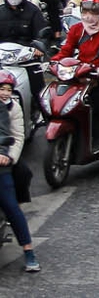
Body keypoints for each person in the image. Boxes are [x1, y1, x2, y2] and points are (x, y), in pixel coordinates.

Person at [53, 0, 99, 143]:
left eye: (93, 12)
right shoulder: (76, 29)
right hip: (78, 73)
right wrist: (53, 62)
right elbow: (66, 50)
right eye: (85, 12)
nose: (88, 17)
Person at [0, 68, 38, 273]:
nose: (5, 93)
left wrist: (9, 157)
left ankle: (28, 250)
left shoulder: (12, 109)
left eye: (8, 89)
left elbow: (16, 136)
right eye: (1, 89)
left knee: (12, 205)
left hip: (5, 160)